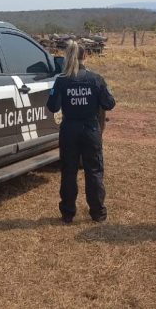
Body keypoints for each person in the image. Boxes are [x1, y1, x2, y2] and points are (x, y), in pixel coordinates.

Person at [47, 40, 116, 223]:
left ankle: (68, 213)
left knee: (68, 172)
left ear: (68, 57)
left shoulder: (61, 81)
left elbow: (52, 106)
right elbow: (109, 103)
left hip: (69, 130)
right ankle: (98, 213)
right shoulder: (96, 79)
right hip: (91, 130)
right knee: (93, 171)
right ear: (85, 56)